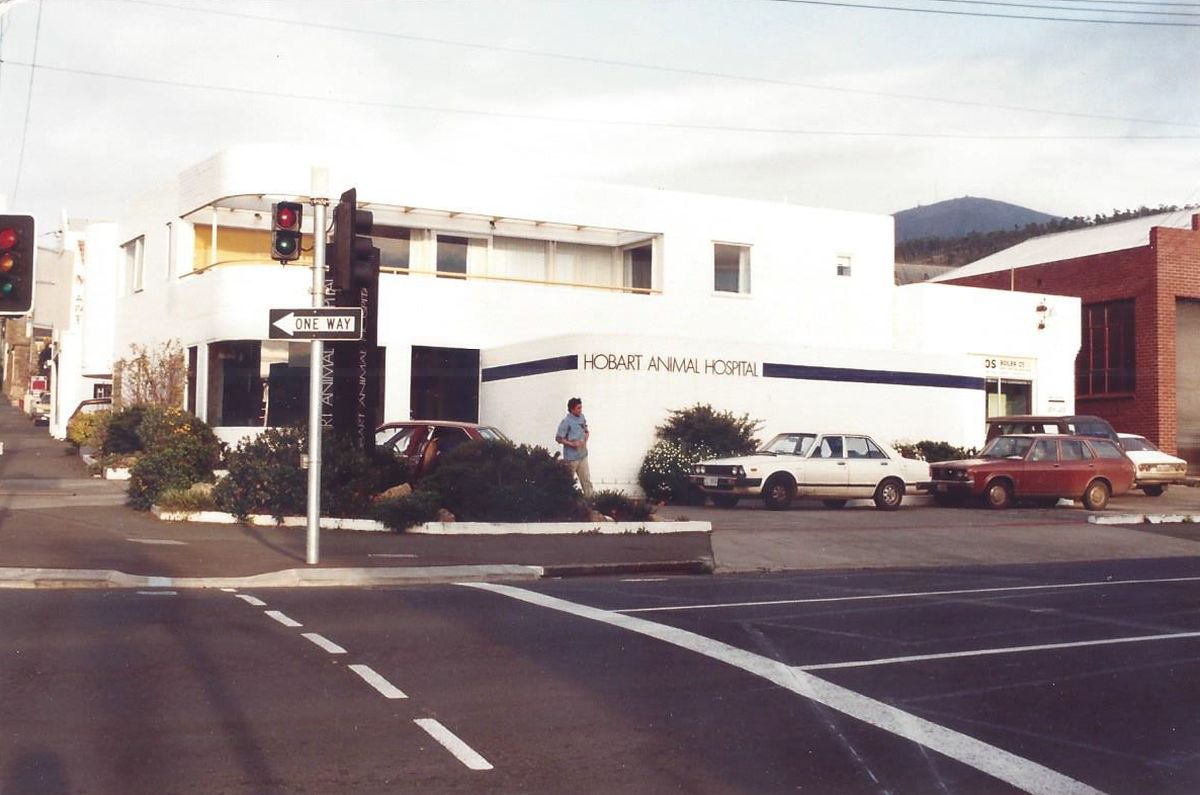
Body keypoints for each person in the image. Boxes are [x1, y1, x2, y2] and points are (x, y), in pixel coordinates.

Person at [555, 396, 593, 499]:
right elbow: (558, 438)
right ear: (572, 409)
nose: (580, 410)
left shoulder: (582, 417)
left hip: (583, 456)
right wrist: (572, 444)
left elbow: (585, 429)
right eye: (578, 408)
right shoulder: (566, 422)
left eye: (581, 408)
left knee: (586, 481)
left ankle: (591, 503)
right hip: (571, 459)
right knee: (568, 483)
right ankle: (567, 504)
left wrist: (586, 436)